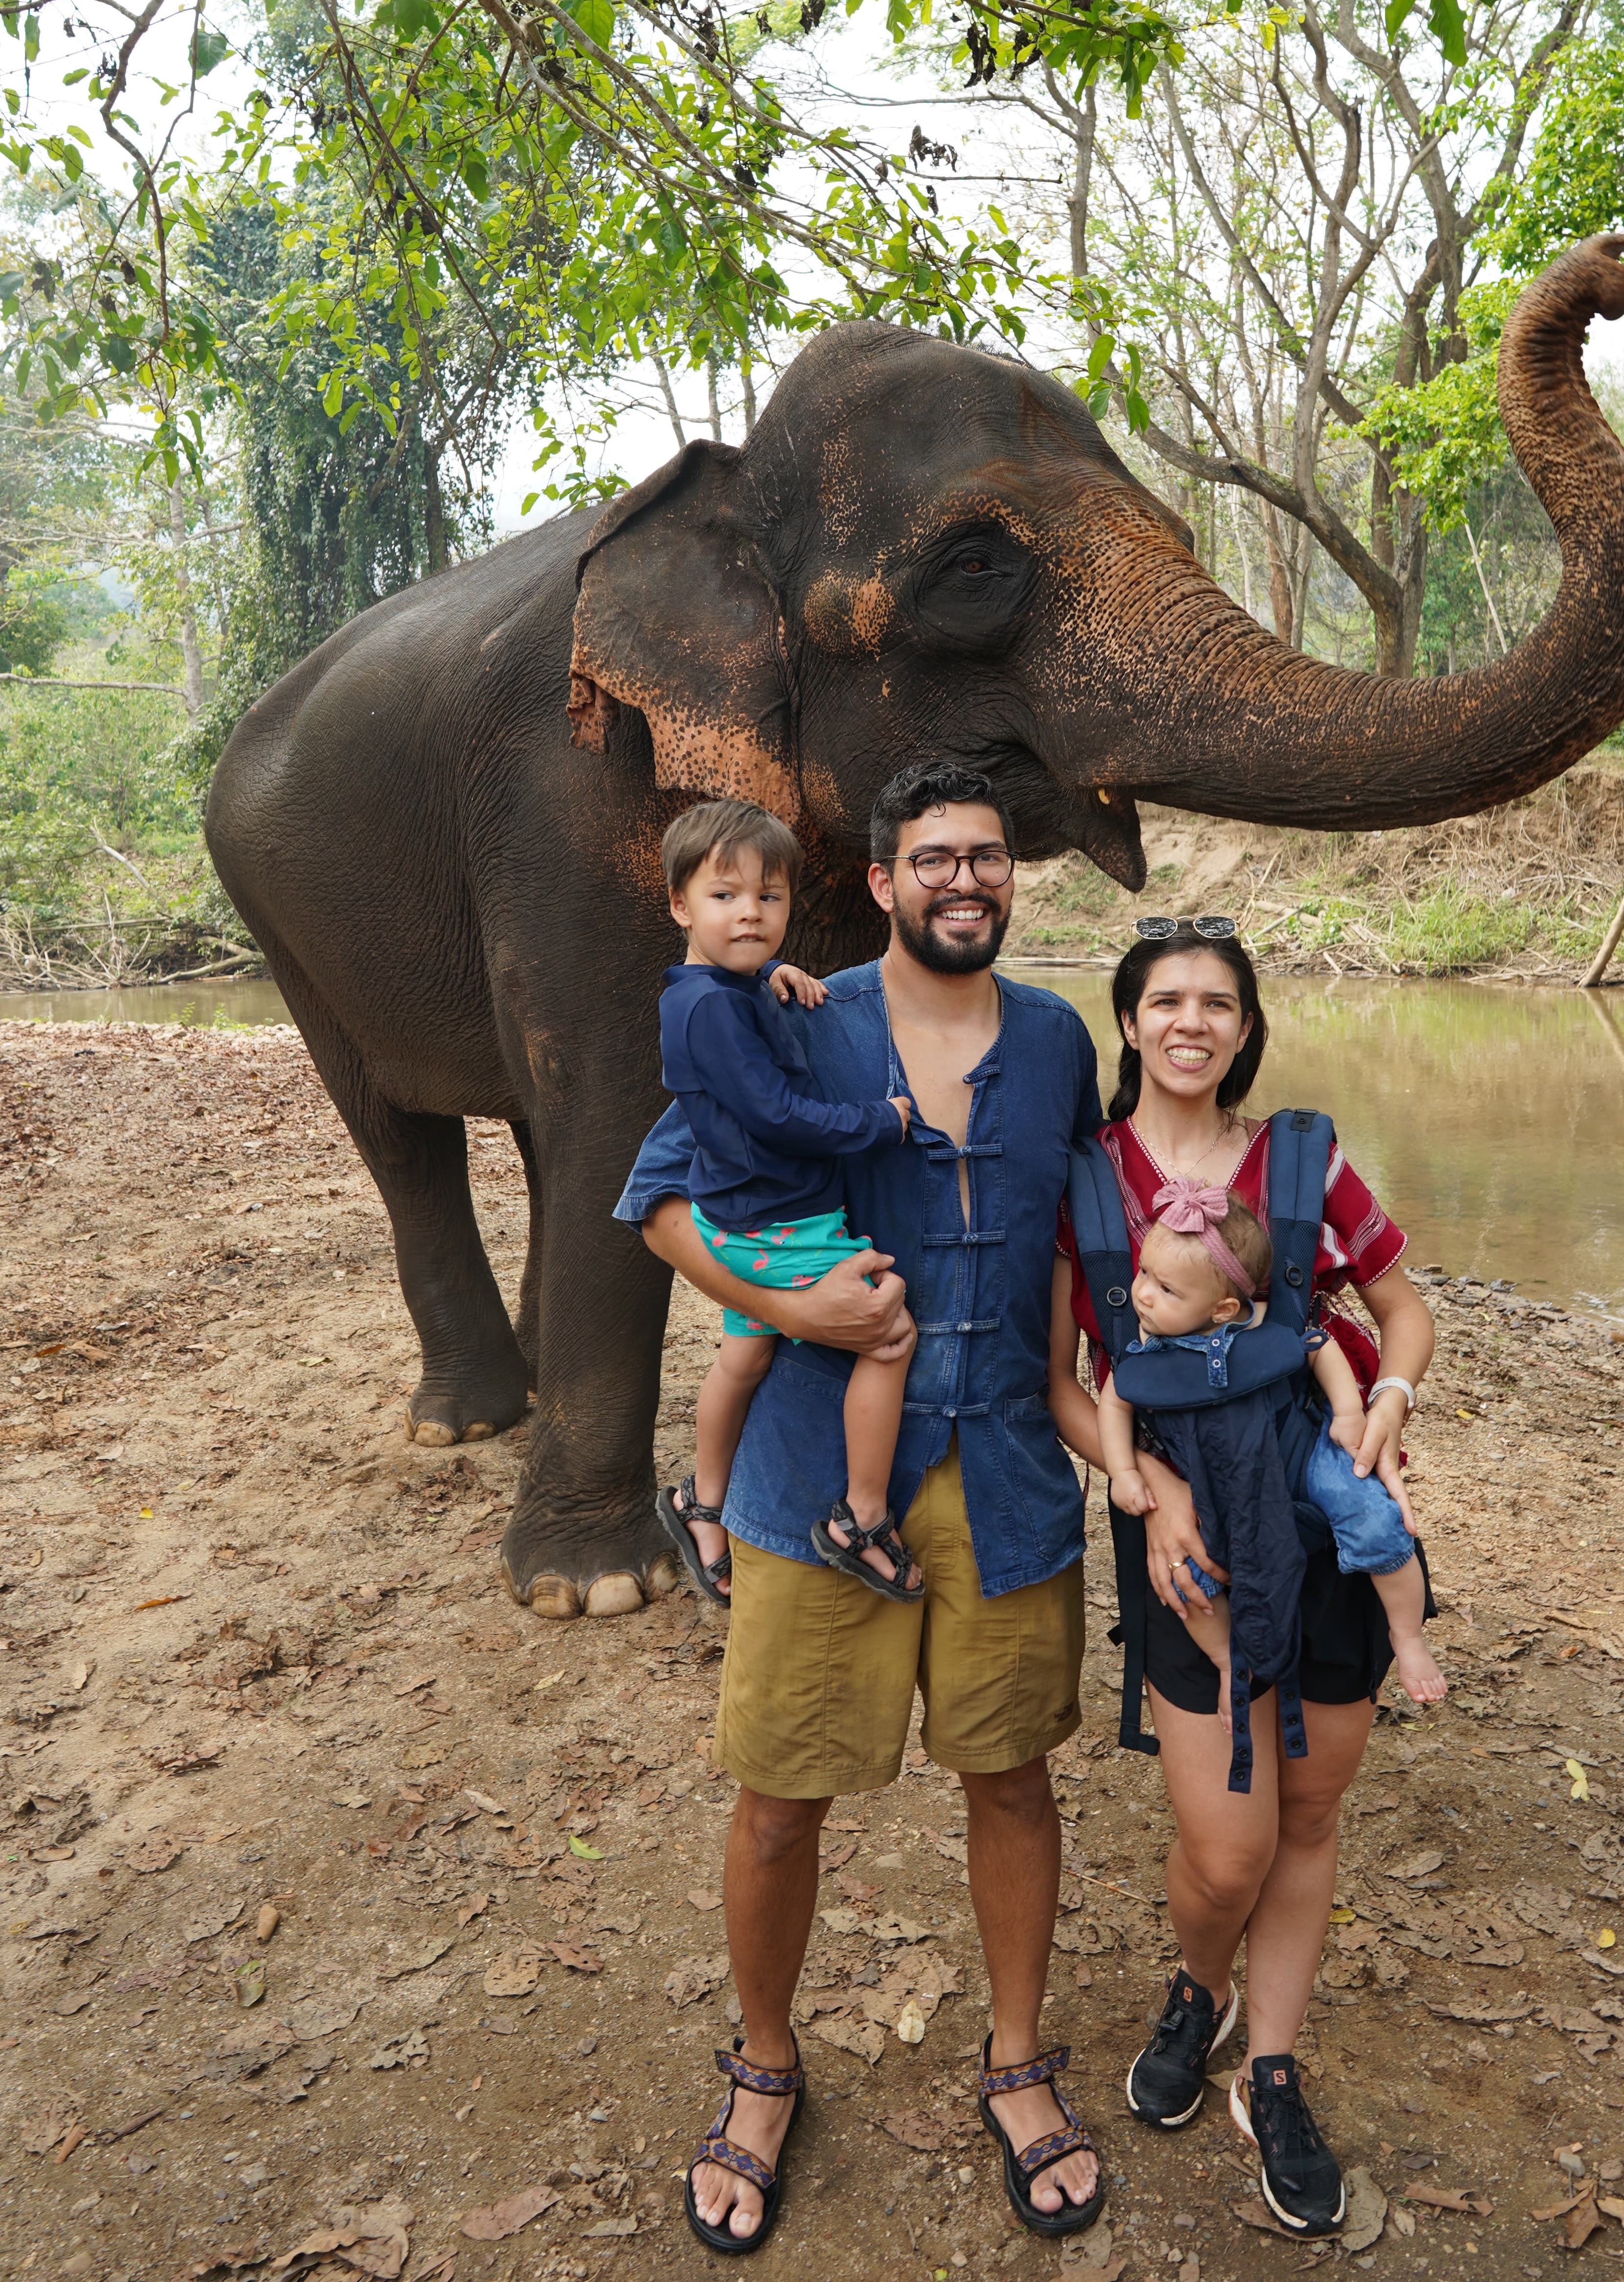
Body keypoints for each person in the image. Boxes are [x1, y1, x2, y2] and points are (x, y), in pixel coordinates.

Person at [619, 761, 1107, 2256]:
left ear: (1010, 879)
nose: (965, 880)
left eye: (988, 858)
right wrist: (784, 1298)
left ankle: (1014, 2061)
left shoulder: (1053, 1042)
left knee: (1011, 1777)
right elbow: (655, 1198)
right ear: (882, 883)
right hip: (814, 1477)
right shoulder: (789, 1010)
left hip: (1008, 1470)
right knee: (779, 1799)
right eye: (932, 860)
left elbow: (1093, 1236)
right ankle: (764, 2065)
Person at [1049, 920, 1438, 2236]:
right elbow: (1065, 1376)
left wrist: (1384, 1405)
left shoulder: (1305, 1161)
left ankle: (1269, 2067)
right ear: (1131, 1024)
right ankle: (1196, 1982)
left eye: (1219, 1002)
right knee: (1228, 1852)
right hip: (1189, 1553)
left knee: (1309, 1820)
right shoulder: (1088, 1180)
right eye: (1166, 1000)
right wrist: (1143, 1491)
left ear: (1246, 1027)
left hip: (1323, 1537)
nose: (1192, 1022)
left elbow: (1402, 1311)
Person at [651, 798, 920, 1605]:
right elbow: (774, 1111)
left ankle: (701, 1500)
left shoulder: (716, 992)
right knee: (890, 1331)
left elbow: (739, 1003)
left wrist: (772, 974)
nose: (751, 913)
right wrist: (881, 1121)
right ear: (679, 905)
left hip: (737, 1217)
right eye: (725, 897)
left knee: (746, 1354)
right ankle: (861, 1517)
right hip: (781, 1226)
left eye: (770, 899)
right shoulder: (709, 1009)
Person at [1095, 1187, 1447, 1716]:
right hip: (1220, 1484)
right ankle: (1228, 1661)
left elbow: (1318, 1347)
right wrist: (1124, 1470)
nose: (1142, 1295)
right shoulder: (1147, 1357)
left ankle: (1408, 1637)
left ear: (1224, 1307)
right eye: (1144, 1274)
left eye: (1166, 1289)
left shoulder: (1255, 1323)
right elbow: (1114, 1403)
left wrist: (1349, 1413)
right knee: (1188, 1575)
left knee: (1375, 1518)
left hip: (1304, 1456)